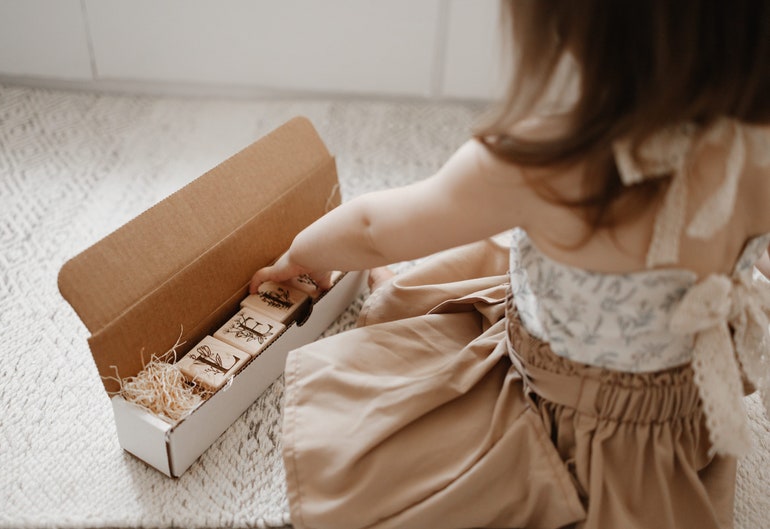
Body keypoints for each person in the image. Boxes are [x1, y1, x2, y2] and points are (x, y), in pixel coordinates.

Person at [251, 1, 770, 527]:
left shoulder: (545, 161)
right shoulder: (759, 152)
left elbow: (375, 231)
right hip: (680, 418)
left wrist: (301, 254)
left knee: (388, 428)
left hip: (571, 421)